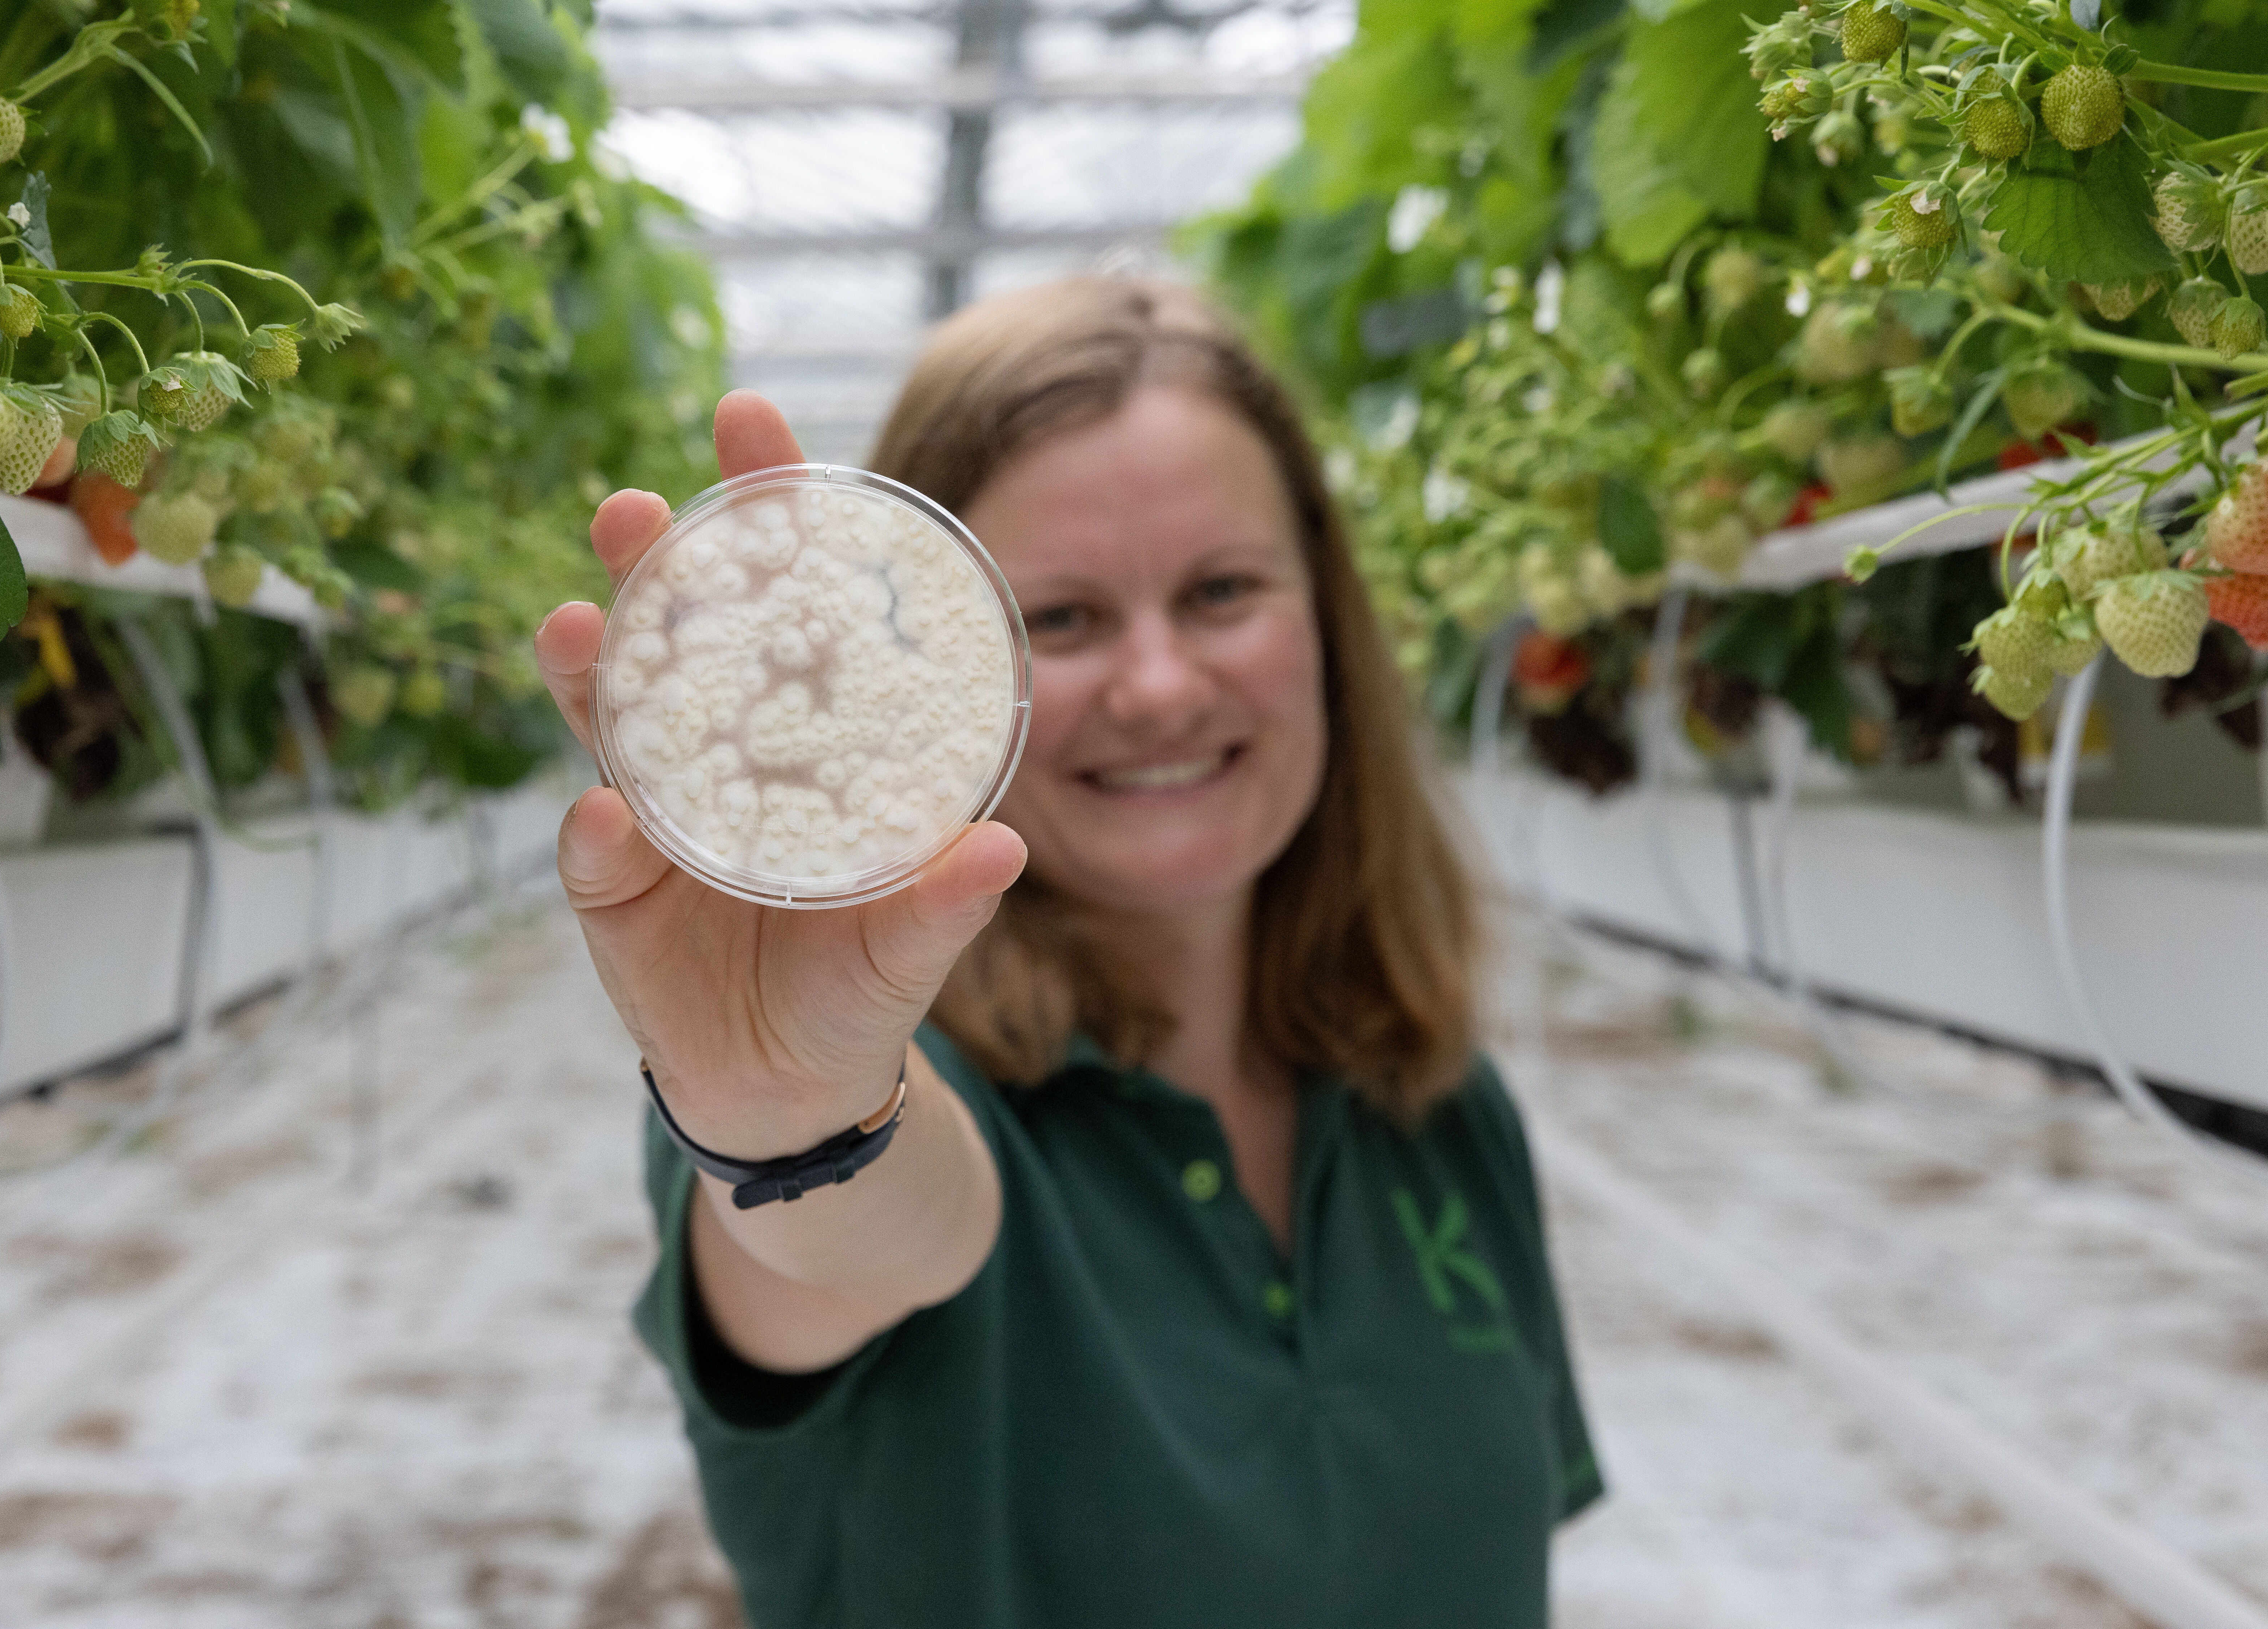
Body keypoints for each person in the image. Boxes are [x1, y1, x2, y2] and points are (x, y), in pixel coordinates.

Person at [532, 277, 1600, 1628]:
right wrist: (792, 1119)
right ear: (915, 666)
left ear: (1325, 620)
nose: (1158, 686)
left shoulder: (1438, 1104)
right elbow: (867, 1235)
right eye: (1066, 619)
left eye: (1221, 592)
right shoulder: (869, 1083)